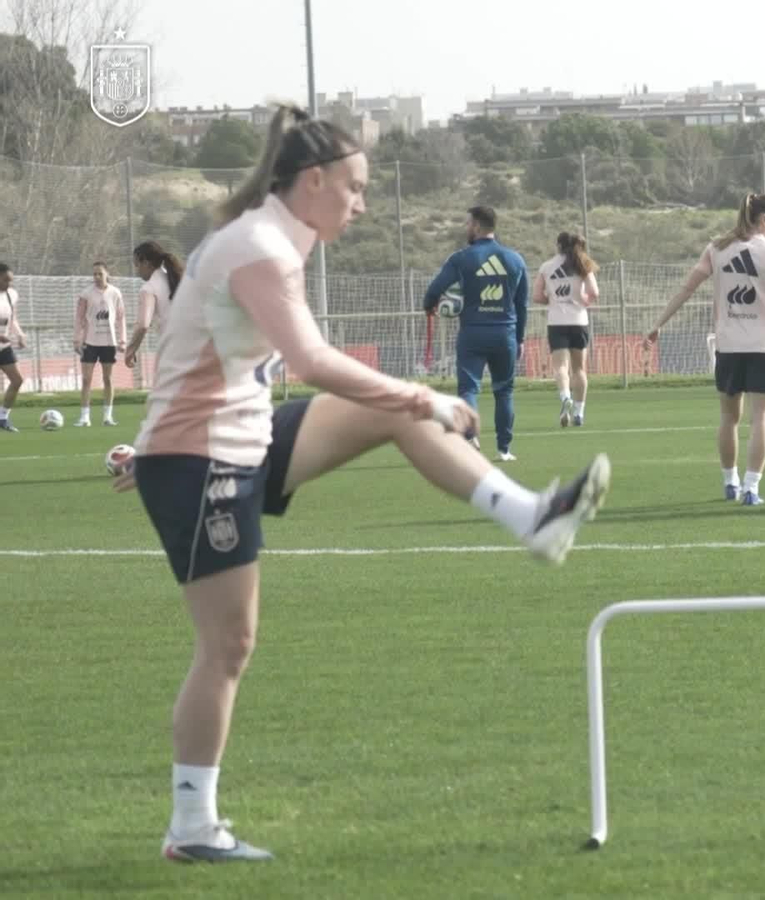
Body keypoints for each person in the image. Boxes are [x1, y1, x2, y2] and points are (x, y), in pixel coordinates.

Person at [117, 104, 611, 864]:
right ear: (313, 180)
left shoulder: (273, 237)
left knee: (392, 412)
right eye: (355, 187)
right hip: (202, 458)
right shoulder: (259, 245)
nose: (363, 204)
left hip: (236, 439)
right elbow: (310, 361)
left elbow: (208, 352)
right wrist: (423, 395)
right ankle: (191, 827)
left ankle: (531, 517)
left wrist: (410, 399)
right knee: (228, 644)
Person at [646, 193, 765, 505]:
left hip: (729, 347)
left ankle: (730, 482)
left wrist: (658, 323)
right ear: (763, 220)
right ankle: (751, 489)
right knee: (760, 418)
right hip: (764, 346)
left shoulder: (716, 248)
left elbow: (686, 289)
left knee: (728, 418)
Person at [422, 206, 529, 461]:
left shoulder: (461, 258)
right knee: (504, 391)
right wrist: (520, 338)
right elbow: (522, 305)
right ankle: (504, 449)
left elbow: (435, 289)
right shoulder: (515, 259)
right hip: (505, 333)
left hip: (473, 334)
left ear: (478, 226)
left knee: (468, 389)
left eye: (468, 223)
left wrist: (430, 305)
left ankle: (470, 437)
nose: (466, 228)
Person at [534, 232, 598, 427]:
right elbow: (594, 292)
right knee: (579, 369)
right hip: (579, 321)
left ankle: (565, 397)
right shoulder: (583, 264)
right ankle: (579, 413)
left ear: (558, 245)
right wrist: (583, 301)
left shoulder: (547, 267)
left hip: (557, 322)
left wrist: (552, 300)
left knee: (561, 366)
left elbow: (537, 296)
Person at [74, 261, 127, 426]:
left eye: (100, 274)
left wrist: (122, 340)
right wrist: (77, 339)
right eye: (94, 274)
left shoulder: (115, 293)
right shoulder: (86, 293)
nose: (97, 277)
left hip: (109, 342)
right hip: (89, 342)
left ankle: (107, 417)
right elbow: (79, 318)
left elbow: (121, 318)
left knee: (108, 379)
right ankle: (85, 417)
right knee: (86, 379)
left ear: (107, 274)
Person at [126, 240, 185, 371]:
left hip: (173, 350)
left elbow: (143, 325)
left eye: (137, 265)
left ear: (146, 263)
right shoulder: (178, 279)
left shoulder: (149, 288)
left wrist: (130, 351)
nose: (137, 271)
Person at [0, 262, 25, 433]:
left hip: (4, 347)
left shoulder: (11, 295)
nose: (9, 283)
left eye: (10, 280)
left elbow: (12, 319)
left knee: (17, 380)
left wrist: (20, 335)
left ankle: (3, 417)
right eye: (5, 280)